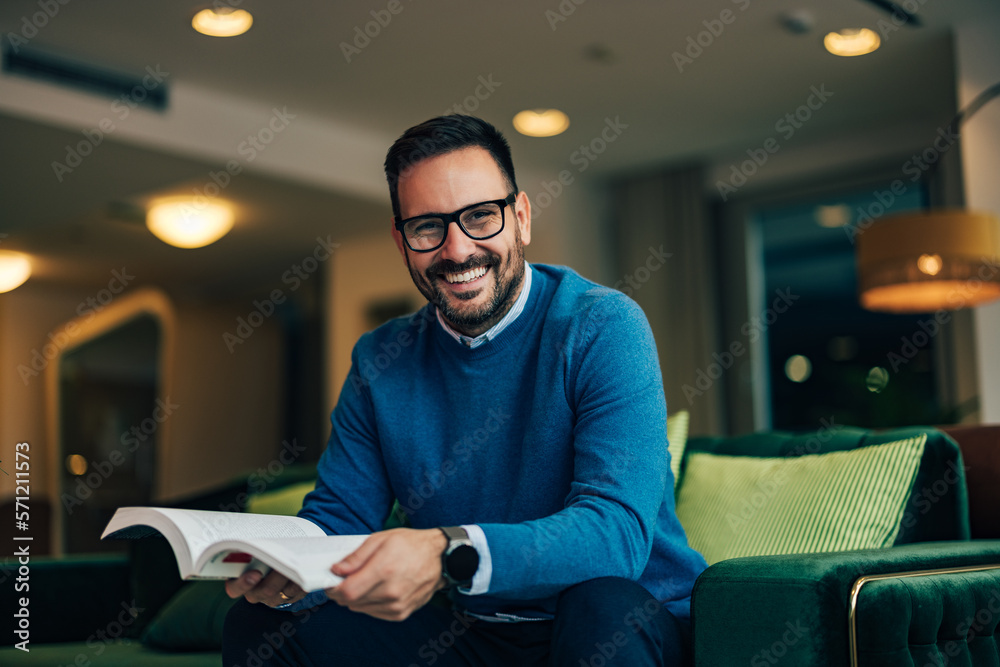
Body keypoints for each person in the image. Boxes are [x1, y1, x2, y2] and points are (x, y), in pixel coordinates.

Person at [223, 114, 707, 666]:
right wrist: (289, 569)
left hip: (622, 615)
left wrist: (447, 550)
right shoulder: (380, 359)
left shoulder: (602, 325)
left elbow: (615, 534)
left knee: (601, 609)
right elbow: (340, 519)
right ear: (401, 240)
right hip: (471, 627)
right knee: (264, 626)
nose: (457, 250)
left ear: (520, 217)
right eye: (428, 226)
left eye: (480, 216)